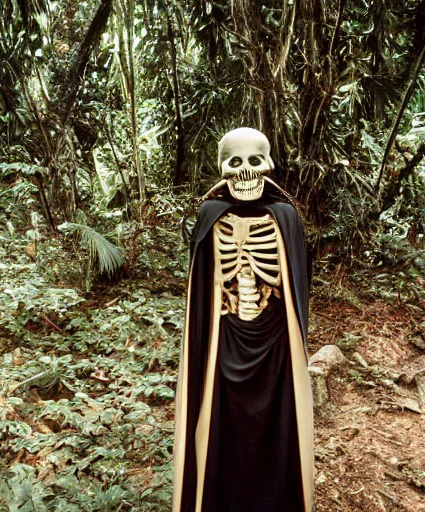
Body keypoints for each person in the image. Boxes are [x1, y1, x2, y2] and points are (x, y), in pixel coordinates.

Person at [172, 128, 314, 512]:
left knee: (277, 426)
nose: (246, 173)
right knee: (225, 429)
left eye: (255, 161)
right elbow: (202, 289)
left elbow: (298, 286)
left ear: (267, 165)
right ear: (223, 168)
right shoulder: (209, 215)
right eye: (235, 163)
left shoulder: (286, 217)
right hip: (225, 341)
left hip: (275, 345)